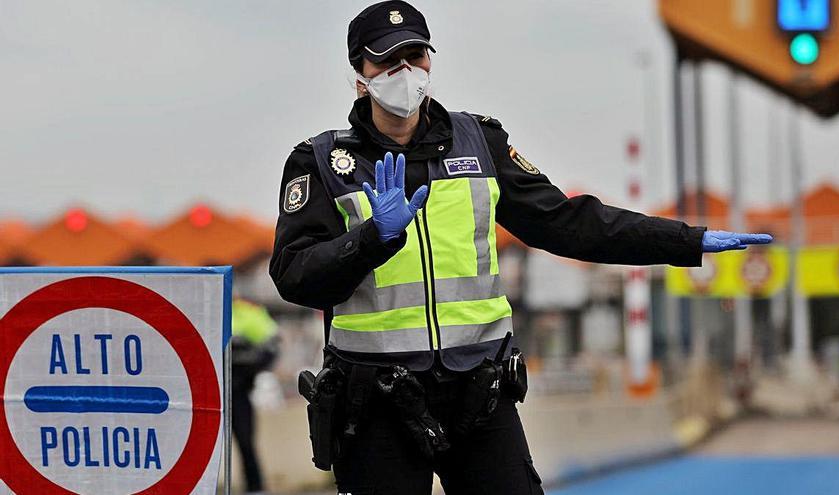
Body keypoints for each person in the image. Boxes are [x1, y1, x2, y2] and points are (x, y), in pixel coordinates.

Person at [269, 2, 772, 493]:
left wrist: (686, 240)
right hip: (375, 403)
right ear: (359, 72)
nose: (405, 70)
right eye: (386, 60)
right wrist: (370, 239)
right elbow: (293, 276)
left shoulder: (479, 143)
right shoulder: (321, 162)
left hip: (477, 394)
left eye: (415, 55)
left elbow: (570, 224)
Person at [230, 298, 279, 495]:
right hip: (212, 392)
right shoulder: (202, 312)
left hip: (238, 391)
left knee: (245, 442)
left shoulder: (247, 313)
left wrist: (246, 372)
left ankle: (255, 488)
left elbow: (271, 347)